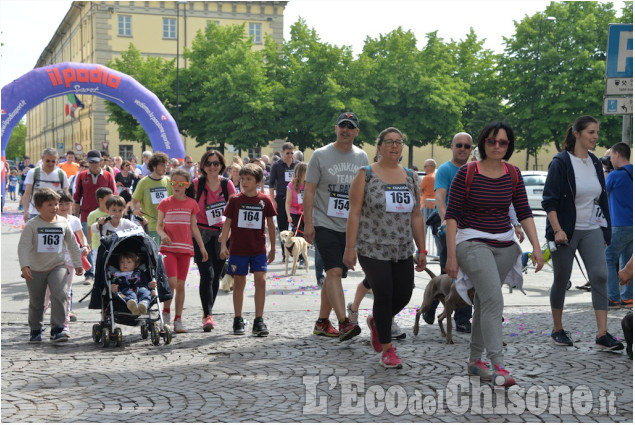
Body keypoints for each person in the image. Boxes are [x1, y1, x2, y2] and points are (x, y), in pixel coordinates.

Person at [445, 121, 543, 386]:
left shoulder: (513, 173)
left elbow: (524, 212)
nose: (497, 146)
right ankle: (498, 365)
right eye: (491, 141)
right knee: (493, 301)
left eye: (503, 142)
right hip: (472, 243)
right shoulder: (468, 172)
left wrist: (536, 247)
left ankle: (475, 362)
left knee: (485, 303)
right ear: (483, 143)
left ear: (509, 145)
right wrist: (451, 256)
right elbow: (451, 215)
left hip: (505, 246)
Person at [343, 127, 427, 368]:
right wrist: (350, 248)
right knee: (384, 293)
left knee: (404, 294)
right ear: (378, 147)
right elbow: (355, 213)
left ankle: (378, 321)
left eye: (398, 142)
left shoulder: (411, 176)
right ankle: (388, 350)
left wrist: (421, 249)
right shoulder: (365, 174)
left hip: (402, 247)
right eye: (389, 142)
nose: (394, 146)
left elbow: (416, 215)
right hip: (372, 246)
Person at [542, 115, 623, 351]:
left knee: (600, 276)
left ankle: (602, 333)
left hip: (592, 228)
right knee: (562, 278)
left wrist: (606, 229)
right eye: (591, 132)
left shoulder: (596, 162)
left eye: (597, 132)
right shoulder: (561, 162)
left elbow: (602, 197)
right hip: (565, 231)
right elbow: (550, 201)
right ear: (577, 133)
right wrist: (557, 230)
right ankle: (557, 329)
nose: (595, 137)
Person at [304, 112, 369, 341]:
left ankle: (322, 322)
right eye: (342, 126)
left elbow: (365, 192)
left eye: (350, 127)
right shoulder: (320, 155)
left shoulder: (362, 157)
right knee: (332, 271)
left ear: (356, 132)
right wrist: (308, 223)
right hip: (324, 222)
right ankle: (344, 323)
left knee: (336, 276)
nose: (346, 130)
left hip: (350, 226)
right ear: (335, 128)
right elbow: (310, 191)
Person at [18, 188, 84, 343]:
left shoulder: (63, 223)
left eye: (56, 204)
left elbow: (73, 244)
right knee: (37, 302)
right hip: (35, 269)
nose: (55, 207)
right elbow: (23, 247)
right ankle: (35, 329)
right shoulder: (32, 225)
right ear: (39, 207)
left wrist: (77, 263)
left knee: (60, 294)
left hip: (58, 265)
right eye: (50, 205)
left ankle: (58, 329)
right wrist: (24, 266)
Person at [424, 133, 474, 332]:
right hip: (449, 228)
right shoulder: (445, 169)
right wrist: (446, 223)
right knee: (450, 271)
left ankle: (462, 317)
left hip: (470, 229)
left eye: (467, 146)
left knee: (468, 272)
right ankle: (432, 305)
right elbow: (440, 198)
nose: (463, 149)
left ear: (471, 150)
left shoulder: (474, 169)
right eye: (459, 145)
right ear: (452, 146)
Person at [219, 163, 276, 336]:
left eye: (249, 179)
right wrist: (223, 245)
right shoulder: (235, 200)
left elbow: (271, 225)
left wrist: (273, 248)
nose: (244, 182)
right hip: (238, 249)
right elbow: (227, 223)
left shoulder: (264, 200)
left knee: (261, 280)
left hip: (258, 248)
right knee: (239, 283)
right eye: (242, 178)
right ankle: (238, 319)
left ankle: (259, 320)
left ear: (258, 182)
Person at [156, 169, 208, 333]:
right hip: (169, 248)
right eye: (174, 183)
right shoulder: (165, 202)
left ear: (187, 186)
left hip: (185, 249)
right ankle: (165, 313)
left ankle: (178, 319)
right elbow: (158, 225)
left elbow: (194, 227)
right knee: (171, 282)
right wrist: (163, 234)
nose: (176, 186)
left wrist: (202, 247)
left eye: (181, 183)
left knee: (180, 285)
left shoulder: (192, 203)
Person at [193, 150, 237, 332]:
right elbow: (189, 210)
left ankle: (207, 312)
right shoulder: (197, 184)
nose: (212, 167)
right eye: (209, 163)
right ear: (203, 166)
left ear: (221, 165)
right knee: (207, 274)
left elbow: (234, 212)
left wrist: (226, 235)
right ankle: (208, 314)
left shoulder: (227, 185)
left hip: (221, 233)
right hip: (201, 233)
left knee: (216, 275)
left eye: (216, 163)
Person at [43, 190, 90, 335]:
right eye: (60, 204)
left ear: (72, 205)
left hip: (69, 261)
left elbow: (82, 237)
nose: (63, 207)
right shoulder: (49, 219)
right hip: (50, 261)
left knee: (66, 292)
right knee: (47, 293)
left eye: (66, 203)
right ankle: (38, 318)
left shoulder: (74, 220)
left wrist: (85, 246)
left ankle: (64, 323)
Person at [73, 150, 116, 284]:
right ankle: (90, 274)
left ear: (101, 161)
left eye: (96, 161)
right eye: (91, 161)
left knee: (105, 242)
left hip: (105, 215)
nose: (93, 164)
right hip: (87, 214)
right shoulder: (81, 176)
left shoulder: (108, 176)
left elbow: (114, 195)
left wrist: (115, 214)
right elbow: (77, 197)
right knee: (88, 244)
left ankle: (107, 271)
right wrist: (75, 216)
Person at [604, 142, 633, 308]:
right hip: (633, 225)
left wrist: (606, 171)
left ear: (616, 155)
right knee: (628, 261)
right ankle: (628, 297)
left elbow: (602, 192)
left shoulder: (615, 175)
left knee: (608, 257)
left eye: (610, 156)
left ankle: (613, 297)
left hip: (620, 224)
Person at [131, 152, 173, 247]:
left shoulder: (168, 181)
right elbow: (133, 201)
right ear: (154, 166)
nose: (165, 167)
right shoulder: (144, 182)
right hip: (151, 227)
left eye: (166, 165)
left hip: (167, 227)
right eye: (162, 165)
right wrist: (135, 210)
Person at [22, 148, 70, 222]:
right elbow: (27, 193)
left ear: (57, 160)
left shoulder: (61, 174)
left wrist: (67, 212)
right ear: (42, 159)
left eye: (53, 161)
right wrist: (26, 211)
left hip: (55, 214)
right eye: (48, 161)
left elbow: (66, 195)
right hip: (35, 212)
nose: (50, 163)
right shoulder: (33, 172)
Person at [270, 142, 299, 259]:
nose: (290, 155)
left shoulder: (297, 165)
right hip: (281, 198)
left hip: (295, 199)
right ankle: (284, 252)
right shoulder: (276, 166)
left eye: (292, 153)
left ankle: (296, 252)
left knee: (296, 226)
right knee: (283, 227)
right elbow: (271, 184)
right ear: (283, 152)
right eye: (287, 153)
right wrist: (273, 200)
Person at [86, 188, 114, 259]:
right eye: (109, 198)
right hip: (97, 246)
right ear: (100, 199)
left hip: (111, 245)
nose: (111, 201)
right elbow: (89, 231)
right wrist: (92, 244)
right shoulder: (92, 215)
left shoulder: (114, 213)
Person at [285, 162, 307, 235]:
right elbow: (288, 202)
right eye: (306, 172)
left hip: (306, 212)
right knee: (298, 234)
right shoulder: (291, 185)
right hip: (294, 213)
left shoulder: (308, 184)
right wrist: (288, 216)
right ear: (301, 173)